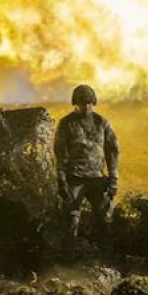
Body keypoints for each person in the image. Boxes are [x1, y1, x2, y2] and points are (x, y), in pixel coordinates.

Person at [53, 84, 120, 244]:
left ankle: (104, 256)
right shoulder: (67, 124)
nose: (86, 107)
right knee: (71, 219)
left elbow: (112, 150)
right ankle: (68, 260)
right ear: (75, 104)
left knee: (105, 217)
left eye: (89, 103)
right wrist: (61, 180)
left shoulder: (102, 123)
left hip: (97, 178)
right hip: (74, 178)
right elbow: (60, 153)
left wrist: (113, 178)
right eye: (82, 103)